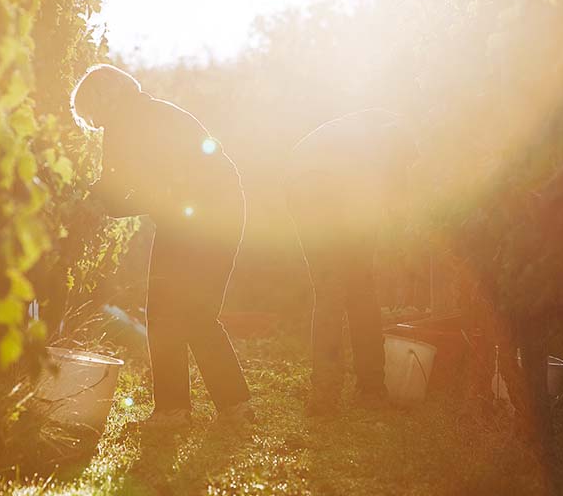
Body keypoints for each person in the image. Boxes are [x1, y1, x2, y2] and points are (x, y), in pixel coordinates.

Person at [70, 64, 253, 428]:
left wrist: (80, 203)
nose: (98, 125)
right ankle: (236, 407)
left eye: (93, 115)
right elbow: (140, 192)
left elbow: (114, 188)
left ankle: (173, 411)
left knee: (164, 313)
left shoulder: (124, 122)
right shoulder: (160, 112)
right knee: (199, 313)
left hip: (191, 222)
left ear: (104, 98)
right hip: (227, 213)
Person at [286, 109, 419, 416]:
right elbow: (394, 199)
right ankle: (371, 391)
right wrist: (402, 243)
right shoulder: (382, 147)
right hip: (328, 188)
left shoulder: (357, 129)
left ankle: (325, 396)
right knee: (360, 292)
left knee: (329, 293)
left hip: (298, 185)